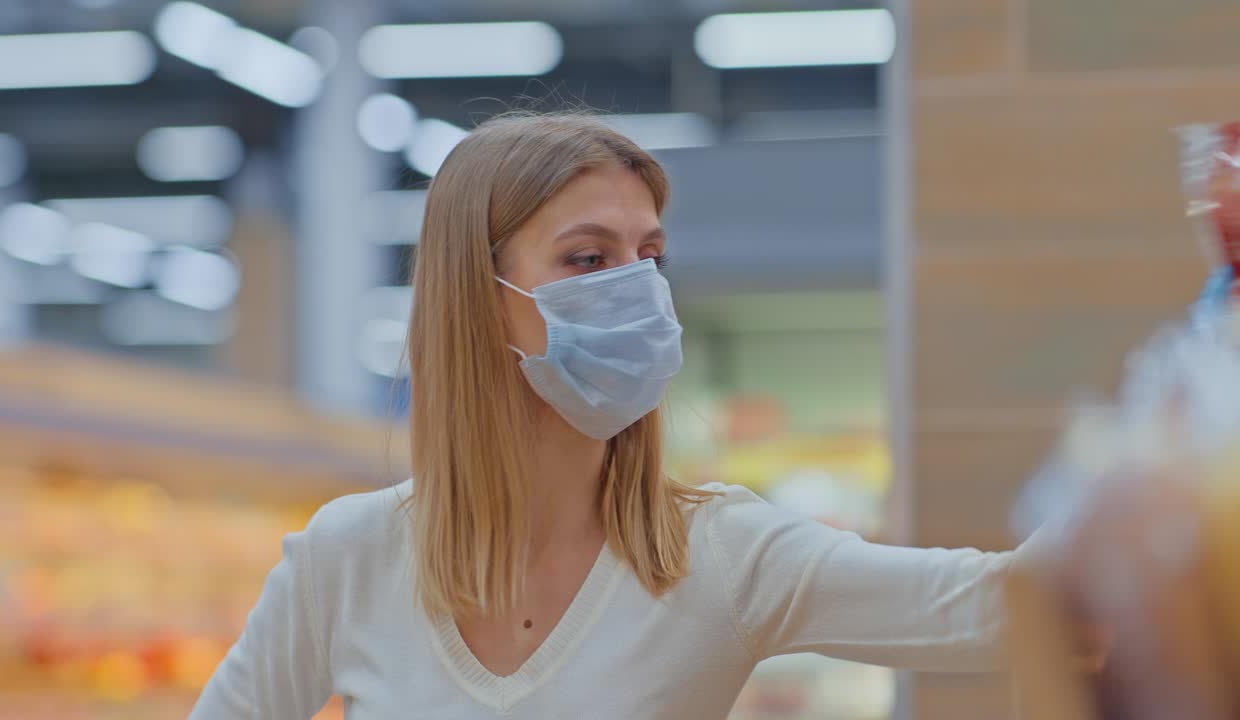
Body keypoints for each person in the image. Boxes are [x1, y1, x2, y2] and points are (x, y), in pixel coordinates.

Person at [190, 113, 1045, 719]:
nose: (637, 290)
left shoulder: (720, 555)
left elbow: (1001, 607)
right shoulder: (348, 558)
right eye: (590, 258)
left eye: (651, 257)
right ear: (479, 299)